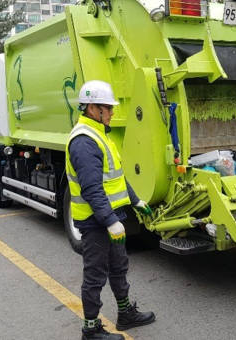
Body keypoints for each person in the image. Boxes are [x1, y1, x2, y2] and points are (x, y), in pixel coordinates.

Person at [66, 80, 156, 340]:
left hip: (112, 217)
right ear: (93, 108)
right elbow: (92, 189)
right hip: (96, 223)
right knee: (95, 274)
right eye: (109, 107)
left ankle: (126, 313)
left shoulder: (100, 135)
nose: (113, 112)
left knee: (119, 267)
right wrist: (109, 221)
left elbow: (115, 177)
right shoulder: (84, 141)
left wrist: (135, 200)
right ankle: (91, 329)